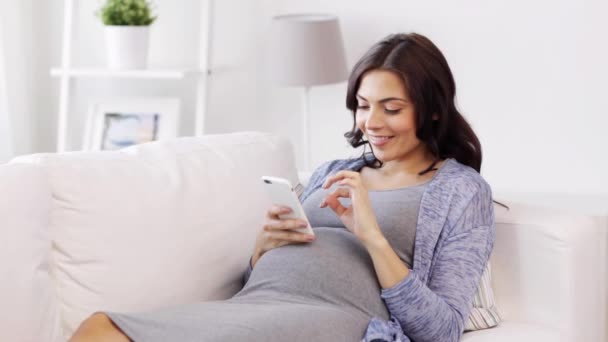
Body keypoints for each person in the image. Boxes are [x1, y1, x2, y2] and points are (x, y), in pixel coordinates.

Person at [69, 32, 495, 342]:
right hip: (253, 304)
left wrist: (373, 238)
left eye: (392, 108)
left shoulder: (460, 190)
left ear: (434, 112)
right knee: (100, 327)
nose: (372, 123)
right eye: (363, 106)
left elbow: (440, 329)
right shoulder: (334, 169)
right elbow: (266, 274)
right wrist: (263, 249)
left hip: (330, 317)